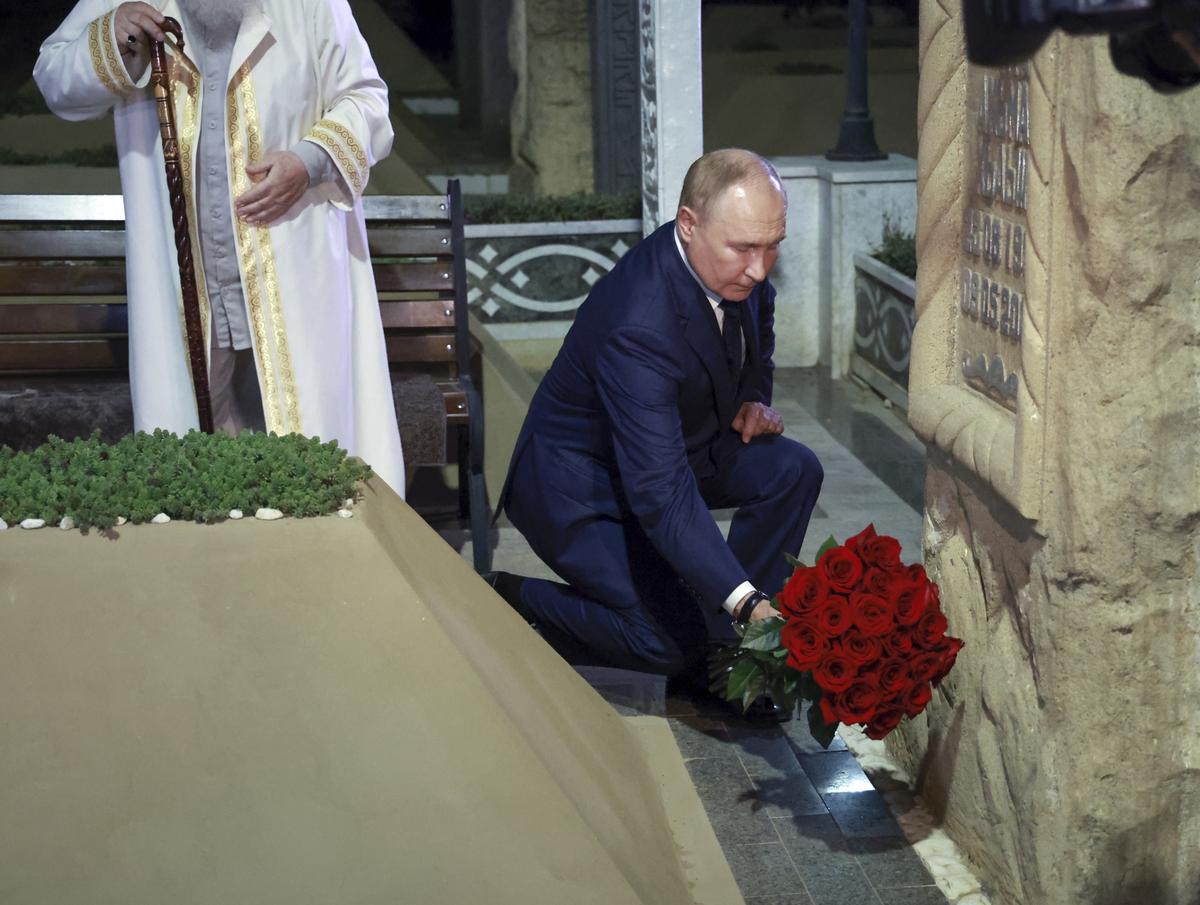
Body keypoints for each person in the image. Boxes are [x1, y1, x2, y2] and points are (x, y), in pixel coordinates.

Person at [491, 149, 823, 714]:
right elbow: (660, 493)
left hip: (670, 452)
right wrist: (746, 601)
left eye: (773, 247)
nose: (761, 268)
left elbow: (756, 346)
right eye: (744, 248)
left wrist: (751, 401)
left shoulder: (742, 270)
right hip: (581, 486)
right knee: (664, 645)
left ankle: (728, 662)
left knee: (792, 469)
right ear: (688, 225)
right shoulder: (638, 323)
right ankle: (510, 597)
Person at [34, 0, 406, 494]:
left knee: (307, 450)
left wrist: (308, 162)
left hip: (291, 274)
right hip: (184, 279)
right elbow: (54, 76)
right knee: (197, 471)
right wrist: (115, 36)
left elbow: (367, 102)